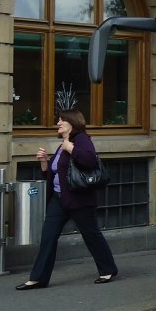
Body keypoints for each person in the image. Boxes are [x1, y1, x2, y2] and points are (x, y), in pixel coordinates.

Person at [15, 109, 119, 290]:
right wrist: (44, 163)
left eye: (61, 120)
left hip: (79, 199)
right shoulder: (63, 143)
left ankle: (108, 269)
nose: (58, 123)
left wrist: (71, 149)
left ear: (72, 122)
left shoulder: (81, 140)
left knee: (91, 234)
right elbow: (58, 174)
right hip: (59, 199)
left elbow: (89, 161)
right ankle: (38, 278)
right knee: (48, 236)